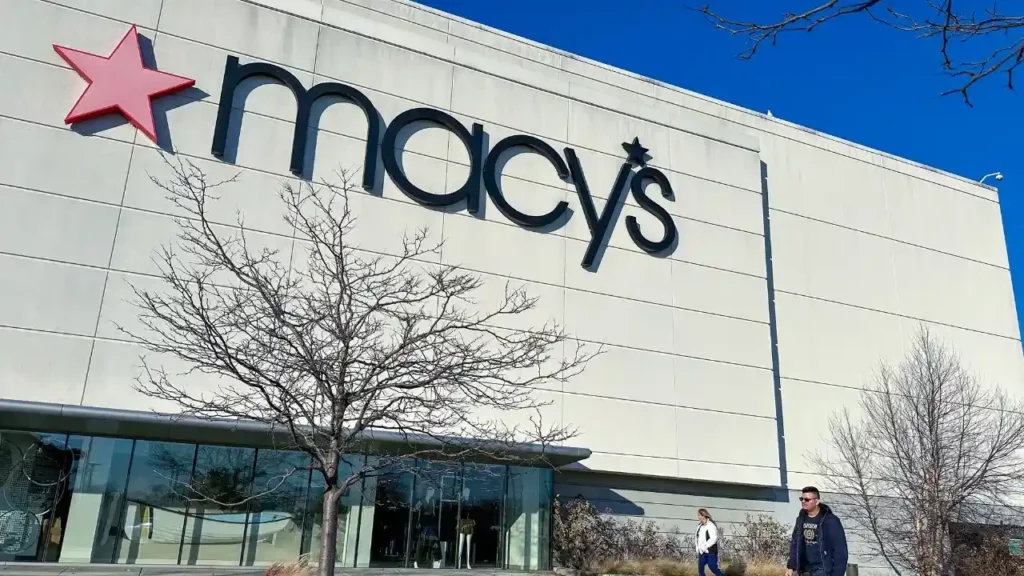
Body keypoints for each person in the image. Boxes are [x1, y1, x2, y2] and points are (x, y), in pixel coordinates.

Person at [787, 486, 848, 576]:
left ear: (817, 501)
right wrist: (791, 567)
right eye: (801, 499)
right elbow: (795, 543)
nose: (803, 501)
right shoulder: (800, 519)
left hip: (822, 569)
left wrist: (838, 573)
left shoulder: (830, 521)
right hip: (805, 569)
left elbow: (840, 550)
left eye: (807, 499)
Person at [695, 508, 725, 576]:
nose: (698, 517)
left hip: (711, 552)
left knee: (713, 568)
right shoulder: (699, 526)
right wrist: (698, 547)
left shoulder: (711, 525)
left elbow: (713, 539)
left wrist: (705, 546)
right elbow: (696, 537)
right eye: (698, 515)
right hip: (702, 552)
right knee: (700, 570)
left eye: (699, 515)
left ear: (704, 516)